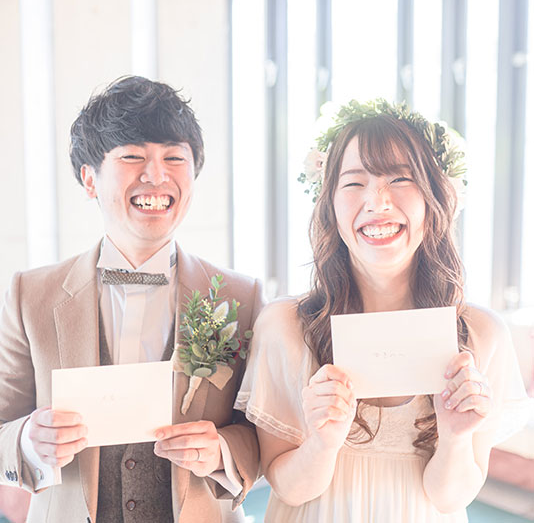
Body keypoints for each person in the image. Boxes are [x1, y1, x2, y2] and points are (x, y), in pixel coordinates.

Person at [235, 99, 531, 522]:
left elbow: (449, 499)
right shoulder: (286, 326)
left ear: (434, 197)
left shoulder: (481, 334)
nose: (378, 202)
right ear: (329, 204)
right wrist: (323, 442)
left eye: (400, 178)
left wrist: (454, 437)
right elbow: (289, 488)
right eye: (354, 183)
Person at [0, 76, 264, 523]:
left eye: (174, 158)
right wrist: (27, 439)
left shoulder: (240, 297)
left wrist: (221, 450)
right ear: (89, 179)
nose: (156, 176)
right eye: (132, 157)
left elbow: (265, 434)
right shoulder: (31, 295)